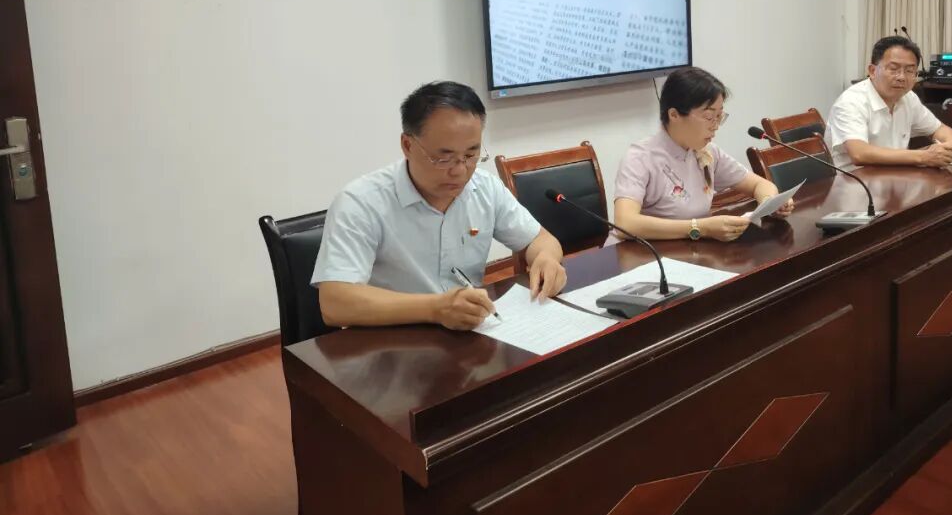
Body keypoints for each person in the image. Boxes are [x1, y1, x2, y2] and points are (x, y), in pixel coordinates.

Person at [311, 81, 566, 331]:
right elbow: (335, 302)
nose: (460, 170)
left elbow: (541, 240)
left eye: (470, 155)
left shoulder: (484, 188)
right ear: (407, 145)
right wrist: (435, 309)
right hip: (391, 341)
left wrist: (547, 259)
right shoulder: (361, 202)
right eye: (443, 158)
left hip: (469, 332)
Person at [611, 67, 794, 245]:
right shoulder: (640, 158)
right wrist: (699, 228)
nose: (716, 126)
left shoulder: (708, 152)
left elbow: (760, 184)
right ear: (674, 115)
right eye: (708, 117)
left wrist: (770, 203)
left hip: (693, 251)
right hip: (646, 255)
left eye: (719, 116)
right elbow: (625, 223)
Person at [824, 35, 952, 169]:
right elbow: (860, 153)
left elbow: (940, 129)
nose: (902, 77)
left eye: (909, 71)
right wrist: (924, 156)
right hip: (854, 183)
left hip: (895, 176)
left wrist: (951, 145)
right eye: (893, 69)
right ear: (872, 71)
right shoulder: (851, 102)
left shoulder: (908, 98)